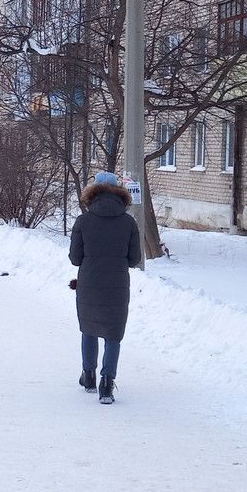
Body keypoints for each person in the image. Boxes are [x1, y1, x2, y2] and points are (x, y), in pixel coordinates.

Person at [68, 171, 142, 404]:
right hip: (117, 285)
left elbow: (75, 258)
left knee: (89, 328)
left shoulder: (83, 221)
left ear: (93, 193)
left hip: (89, 283)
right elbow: (134, 259)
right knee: (113, 334)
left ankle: (88, 376)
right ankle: (107, 384)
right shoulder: (129, 222)